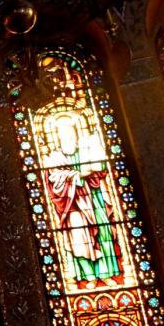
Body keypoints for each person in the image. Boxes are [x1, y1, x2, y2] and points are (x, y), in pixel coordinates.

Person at [44, 114, 122, 287]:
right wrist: (77, 176)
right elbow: (53, 178)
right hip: (71, 203)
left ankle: (106, 273)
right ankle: (89, 276)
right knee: (78, 238)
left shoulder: (87, 150)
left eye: (71, 133)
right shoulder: (55, 156)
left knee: (104, 235)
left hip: (94, 197)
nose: (68, 137)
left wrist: (95, 168)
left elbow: (100, 171)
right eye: (64, 134)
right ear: (58, 137)